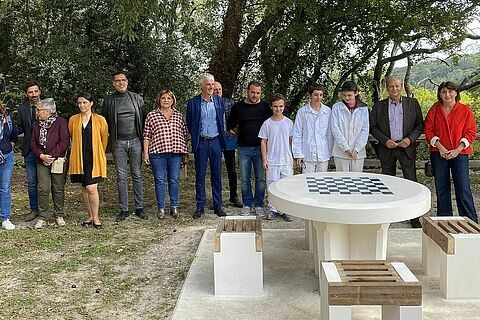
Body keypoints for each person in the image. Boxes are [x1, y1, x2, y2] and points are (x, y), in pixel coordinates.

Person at [370, 75, 424, 228]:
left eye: (397, 86)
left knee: (411, 182)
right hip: (387, 147)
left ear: (401, 87)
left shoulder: (412, 104)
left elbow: (420, 125)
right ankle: (388, 215)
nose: (394, 88)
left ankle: (414, 217)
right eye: (391, 86)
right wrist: (385, 140)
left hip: (406, 147)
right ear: (387, 88)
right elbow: (372, 127)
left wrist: (410, 139)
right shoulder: (379, 106)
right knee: (387, 183)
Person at [424, 81, 477, 223]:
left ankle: (471, 223)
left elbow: (471, 132)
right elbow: (428, 130)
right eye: (443, 92)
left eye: (450, 91)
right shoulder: (434, 110)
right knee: (441, 188)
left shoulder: (465, 110)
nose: (447, 94)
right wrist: (440, 147)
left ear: (456, 93)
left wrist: (457, 149)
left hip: (460, 154)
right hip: (438, 153)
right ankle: (444, 222)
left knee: (463, 188)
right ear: (439, 94)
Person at [103, 70, 148, 222]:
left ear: (127, 82)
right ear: (113, 83)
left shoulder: (137, 98)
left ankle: (139, 207)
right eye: (117, 81)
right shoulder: (109, 100)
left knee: (137, 174)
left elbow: (145, 119)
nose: (120, 83)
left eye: (123, 80)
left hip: (135, 141)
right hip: (118, 142)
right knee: (121, 176)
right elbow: (104, 123)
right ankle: (124, 209)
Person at [228, 81, 272, 217]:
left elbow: (273, 123)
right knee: (245, 179)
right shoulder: (237, 107)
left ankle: (258, 204)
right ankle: (247, 204)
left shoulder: (265, 106)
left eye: (258, 93)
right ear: (248, 91)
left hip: (260, 149)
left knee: (260, 179)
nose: (255, 95)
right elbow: (231, 125)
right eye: (253, 92)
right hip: (243, 149)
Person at [186, 73, 227, 219]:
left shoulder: (219, 101)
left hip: (216, 142)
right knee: (200, 175)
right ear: (201, 86)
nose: (211, 87)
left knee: (217, 175)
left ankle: (218, 205)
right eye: (208, 84)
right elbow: (190, 123)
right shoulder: (193, 103)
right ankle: (200, 206)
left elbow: (222, 121)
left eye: (212, 84)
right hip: (201, 142)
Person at [144, 90, 188, 219]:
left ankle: (174, 206)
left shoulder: (178, 115)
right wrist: (145, 154)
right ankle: (161, 208)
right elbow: (146, 135)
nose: (166, 100)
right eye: (163, 98)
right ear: (159, 100)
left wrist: (184, 152)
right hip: (157, 153)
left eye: (169, 98)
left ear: (173, 100)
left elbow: (184, 134)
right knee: (160, 180)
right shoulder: (152, 115)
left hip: (175, 153)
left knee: (174, 179)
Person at [69, 93, 108, 229]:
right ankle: (90, 215)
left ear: (91, 103)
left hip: (94, 157)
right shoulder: (73, 119)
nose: (82, 105)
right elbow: (73, 137)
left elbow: (104, 140)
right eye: (79, 103)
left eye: (85, 102)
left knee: (92, 187)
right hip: (79, 157)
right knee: (84, 187)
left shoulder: (100, 119)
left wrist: (100, 154)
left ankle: (96, 217)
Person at [30, 98, 69, 229]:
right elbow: (33, 143)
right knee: (43, 188)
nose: (37, 112)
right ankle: (42, 216)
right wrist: (41, 156)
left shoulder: (61, 122)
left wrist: (51, 156)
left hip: (57, 160)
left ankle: (59, 214)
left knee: (58, 188)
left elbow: (64, 142)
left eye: (39, 110)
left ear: (48, 111)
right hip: (41, 160)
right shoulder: (36, 124)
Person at [258, 94, 294, 221]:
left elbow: (291, 141)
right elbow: (263, 142)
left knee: (286, 186)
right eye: (275, 107)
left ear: (284, 106)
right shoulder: (267, 124)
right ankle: (273, 209)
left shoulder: (289, 123)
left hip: (286, 161)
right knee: (272, 186)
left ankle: (285, 210)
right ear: (271, 107)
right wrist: (265, 159)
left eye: (281, 106)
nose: (278, 109)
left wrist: (293, 157)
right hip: (272, 161)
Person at [213, 81, 242, 208]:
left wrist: (234, 129)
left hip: (228, 138)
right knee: (215, 170)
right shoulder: (207, 104)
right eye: (215, 89)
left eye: (220, 89)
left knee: (231, 169)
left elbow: (239, 118)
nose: (218, 91)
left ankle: (233, 196)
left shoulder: (230, 102)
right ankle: (216, 198)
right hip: (214, 139)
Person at [292, 84, 333, 173]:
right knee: (307, 182)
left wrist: (329, 151)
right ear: (310, 96)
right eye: (315, 95)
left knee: (322, 182)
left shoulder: (327, 111)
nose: (318, 97)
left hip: (323, 153)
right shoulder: (302, 112)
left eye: (321, 95)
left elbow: (329, 133)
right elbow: (297, 133)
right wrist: (298, 153)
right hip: (307, 154)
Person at [330, 81, 369, 172]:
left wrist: (356, 149)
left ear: (356, 93)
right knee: (341, 181)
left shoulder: (363, 109)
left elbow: (365, 130)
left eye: (349, 95)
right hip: (341, 152)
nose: (346, 98)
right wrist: (346, 148)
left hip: (358, 153)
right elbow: (335, 129)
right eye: (344, 95)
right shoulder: (336, 108)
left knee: (356, 181)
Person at [17, 81, 41, 222]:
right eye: (31, 92)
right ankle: (34, 209)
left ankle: (48, 209)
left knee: (47, 183)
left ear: (39, 91)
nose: (34, 94)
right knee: (32, 182)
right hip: (30, 150)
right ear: (26, 94)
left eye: (36, 91)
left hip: (45, 150)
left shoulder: (48, 105)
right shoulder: (23, 108)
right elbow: (20, 127)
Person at [0, 102, 18, 230]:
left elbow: (14, 134)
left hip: (6, 157)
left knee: (5, 188)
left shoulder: (7, 120)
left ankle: (5, 218)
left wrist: (10, 146)